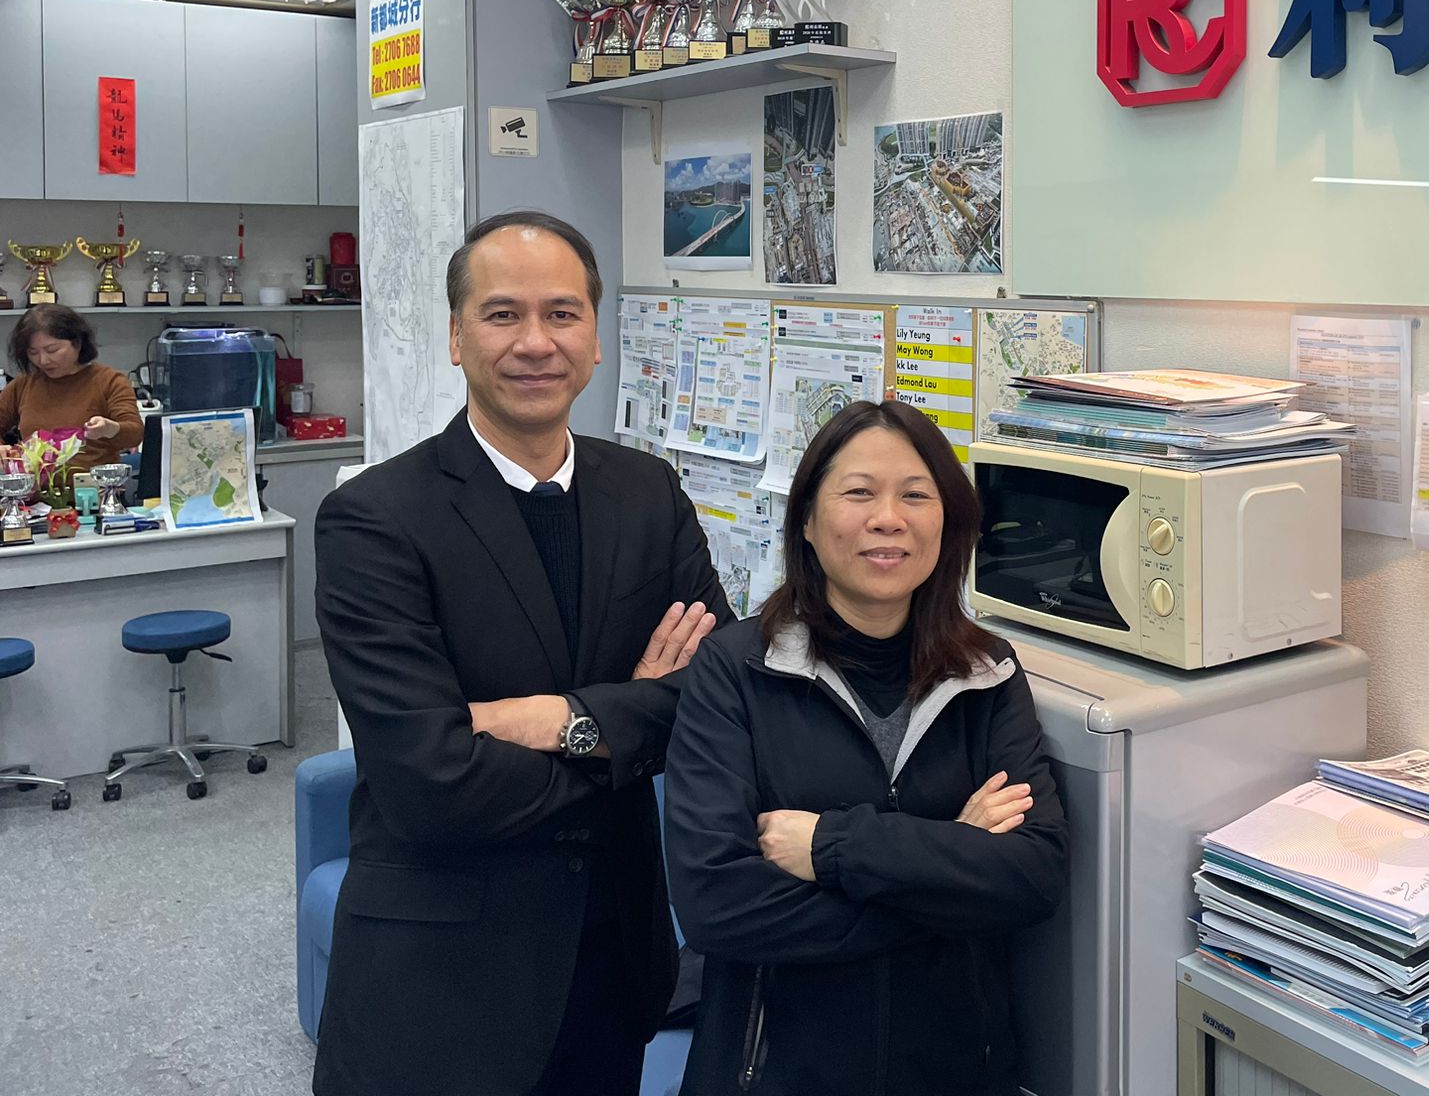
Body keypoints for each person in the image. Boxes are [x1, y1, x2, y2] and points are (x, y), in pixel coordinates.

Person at [314, 211, 726, 1096]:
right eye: (503, 314)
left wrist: (558, 721)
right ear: (457, 338)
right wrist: (625, 727)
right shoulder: (375, 520)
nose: (536, 342)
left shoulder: (648, 492)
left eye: (562, 313)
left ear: (596, 338)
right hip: (443, 980)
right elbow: (429, 783)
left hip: (615, 960)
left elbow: (719, 700)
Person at [664, 399, 1068, 1096]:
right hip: (773, 1076)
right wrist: (950, 863)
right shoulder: (736, 670)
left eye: (916, 495)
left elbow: (1033, 877)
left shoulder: (987, 673)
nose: (889, 518)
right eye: (858, 493)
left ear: (949, 521)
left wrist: (831, 848)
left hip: (955, 1074)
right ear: (807, 521)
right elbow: (716, 905)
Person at [0, 304, 143, 469]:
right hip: (35, 484)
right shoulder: (24, 384)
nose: (43, 360)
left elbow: (135, 434)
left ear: (77, 343)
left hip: (93, 483)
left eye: (52, 350)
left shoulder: (109, 381)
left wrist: (110, 429)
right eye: (33, 353)